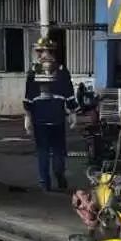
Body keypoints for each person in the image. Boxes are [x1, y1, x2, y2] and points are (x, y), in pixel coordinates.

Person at [24, 59, 77, 191]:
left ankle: (45, 182)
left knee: (43, 152)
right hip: (56, 119)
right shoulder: (61, 71)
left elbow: (28, 98)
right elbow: (69, 94)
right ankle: (58, 173)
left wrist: (28, 117)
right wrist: (72, 113)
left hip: (40, 120)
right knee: (57, 150)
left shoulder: (33, 72)